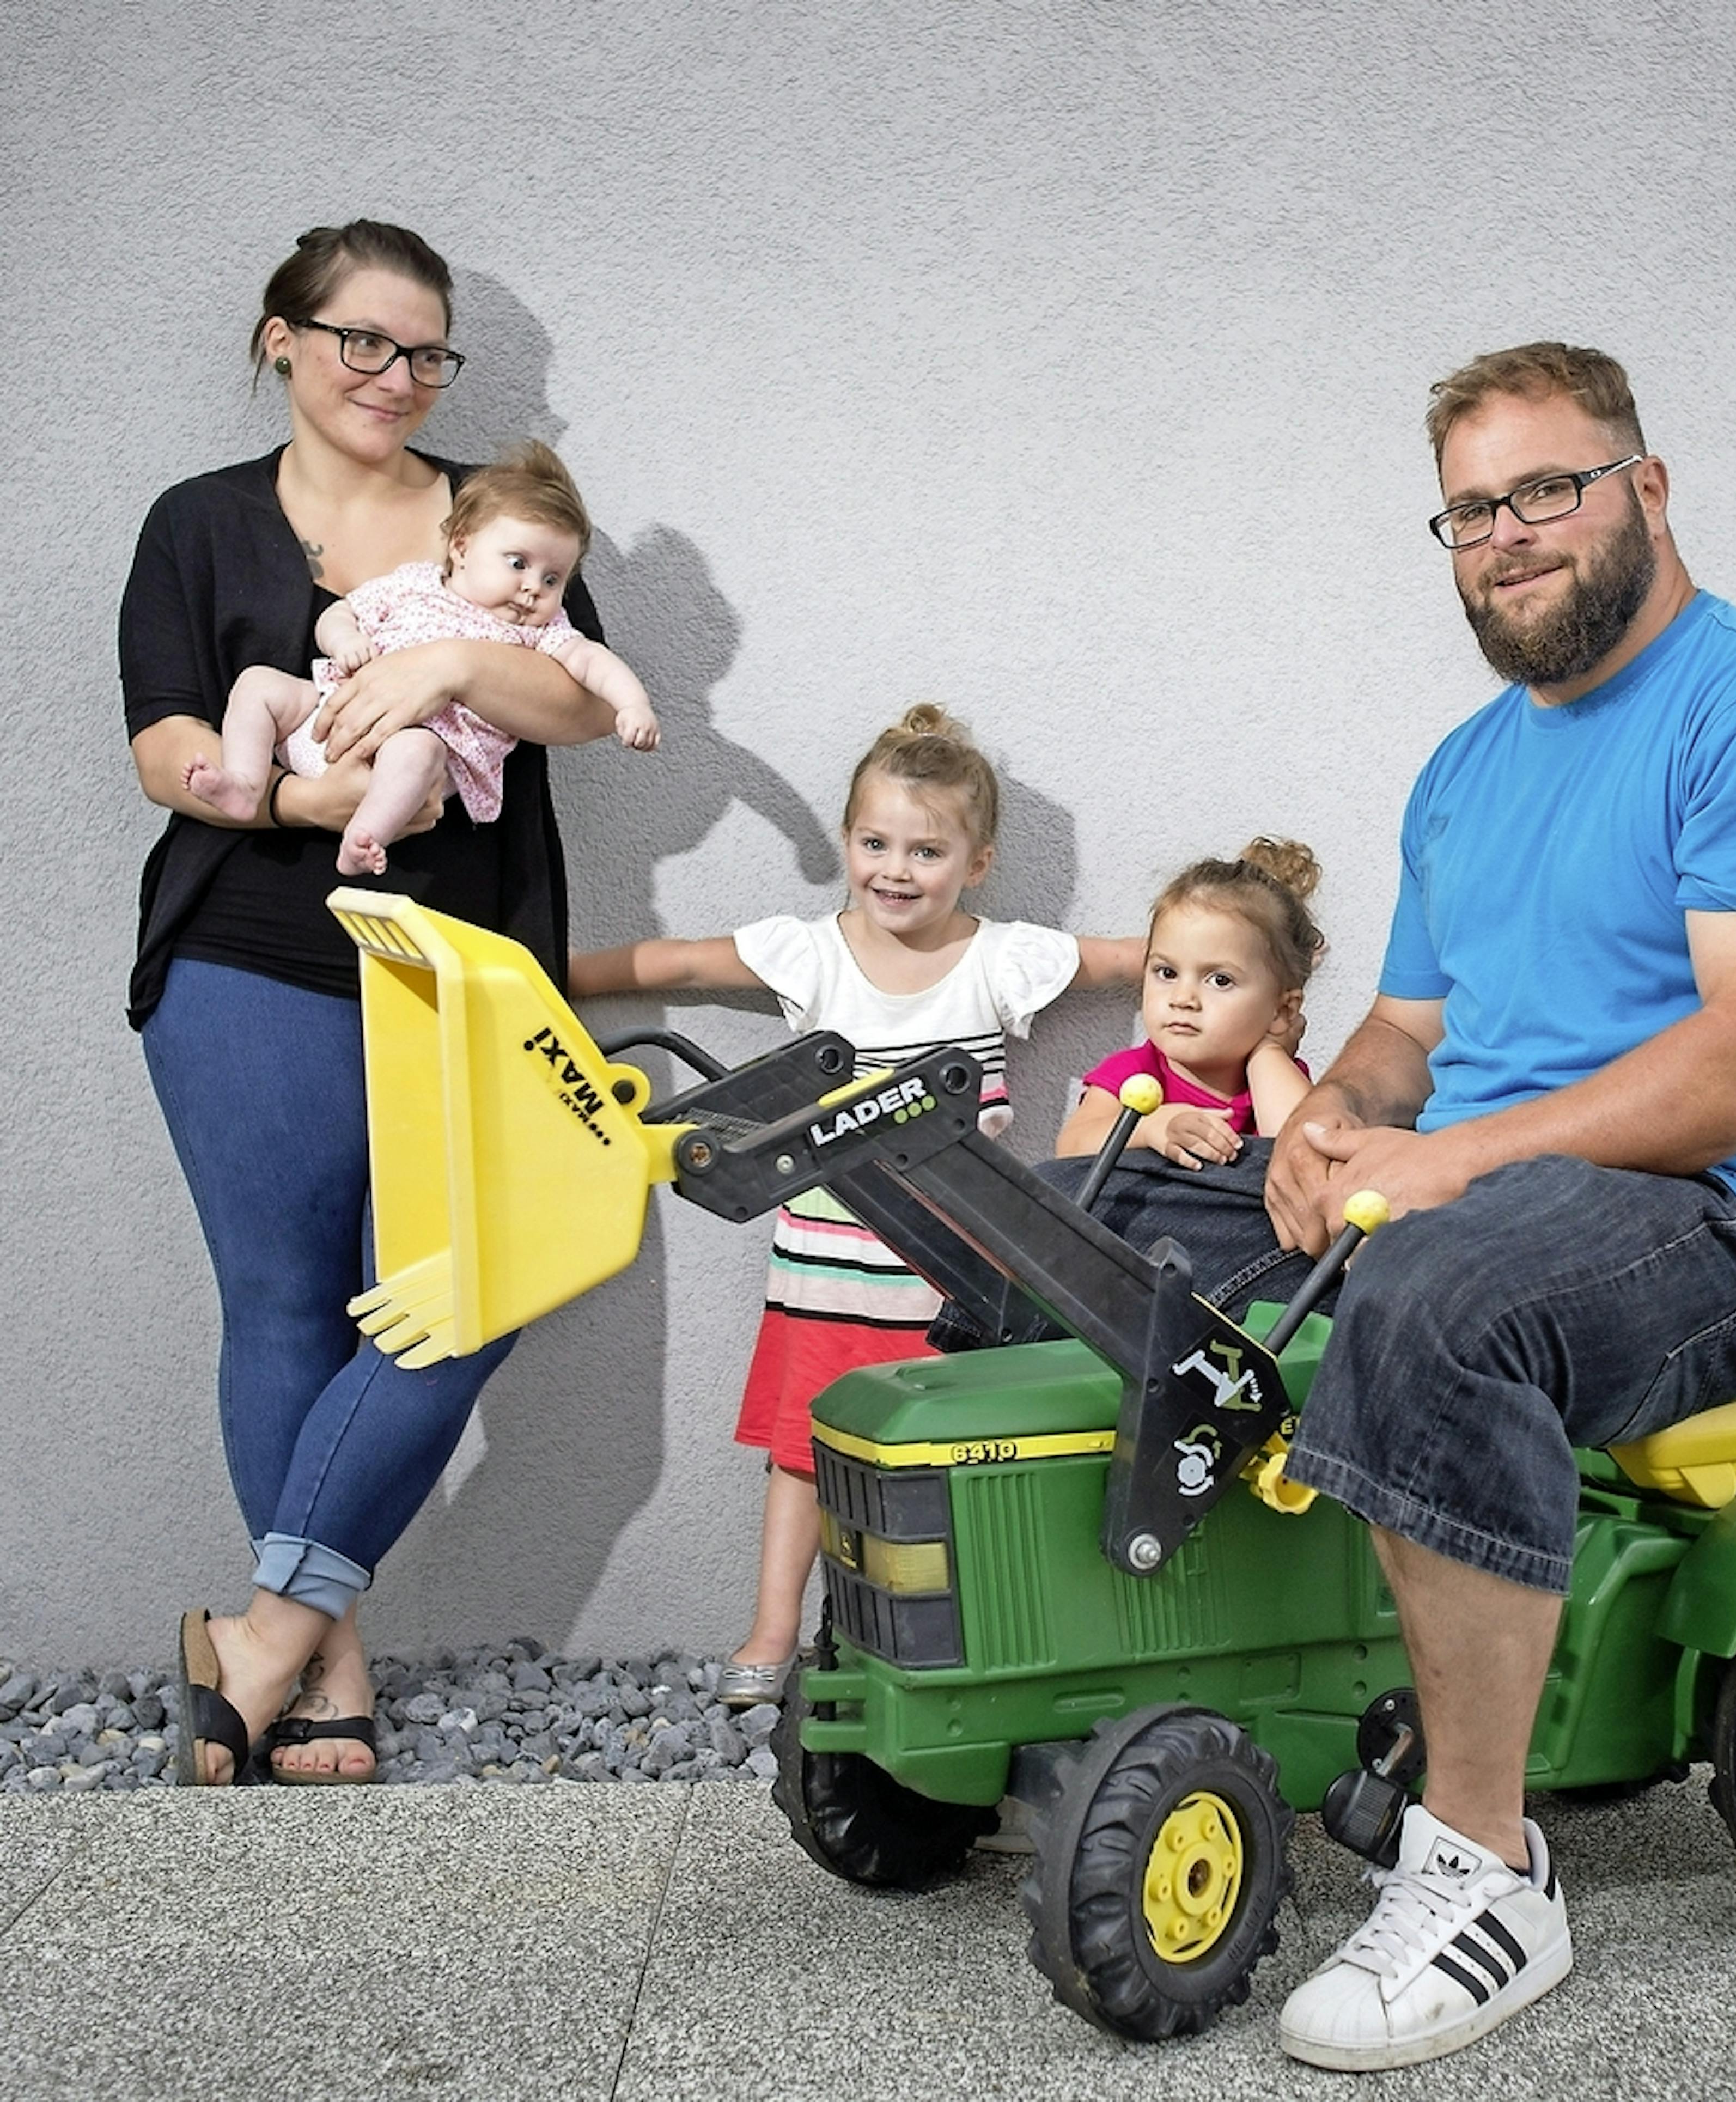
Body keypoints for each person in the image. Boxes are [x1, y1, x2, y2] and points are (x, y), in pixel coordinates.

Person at [1264, 342, 1736, 2070]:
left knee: (1440, 1293)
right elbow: (1408, 1032)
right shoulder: (1466, 767)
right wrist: (1334, 1116)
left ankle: (1485, 1869)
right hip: (1495, 1190)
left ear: (1644, 485)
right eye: (1469, 508)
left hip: (1727, 1219)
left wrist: (1445, 1166)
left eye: (1543, 488)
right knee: (1090, 1233)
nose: (1505, 534)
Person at [124, 221, 625, 1786]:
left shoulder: (492, 517)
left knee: (467, 1288)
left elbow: (570, 703)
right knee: (284, 1301)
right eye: (364, 343)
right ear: (283, 338)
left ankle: (260, 1630)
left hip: (459, 963)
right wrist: (303, 796)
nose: (396, 380)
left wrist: (454, 665)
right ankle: (329, 1652)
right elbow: (163, 741)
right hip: (246, 957)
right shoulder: (199, 523)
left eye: (426, 353)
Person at [569, 705, 1142, 1704]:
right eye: (876, 842)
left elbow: (1128, 960)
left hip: (953, 1287)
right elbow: (685, 963)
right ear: (846, 841)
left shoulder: (1002, 959)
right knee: (804, 1453)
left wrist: (1232, 962)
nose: (896, 867)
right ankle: (772, 1629)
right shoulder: (812, 954)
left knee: (951, 1465)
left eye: (927, 848)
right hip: (824, 1273)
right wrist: (549, 975)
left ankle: (950, 1643)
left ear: (978, 861)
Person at [185, 438, 658, 877]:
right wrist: (344, 640)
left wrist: (633, 705)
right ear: (462, 547)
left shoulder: (541, 634)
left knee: (419, 749)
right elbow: (340, 612)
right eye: (518, 563)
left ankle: (363, 835)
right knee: (258, 685)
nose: (534, 587)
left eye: (554, 579)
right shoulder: (417, 583)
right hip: (327, 718)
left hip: (416, 756)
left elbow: (595, 663)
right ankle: (246, 785)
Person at [1056, 837, 1321, 1166]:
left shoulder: (1278, 1080)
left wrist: (1268, 1053)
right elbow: (1070, 1147)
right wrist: (1149, 1126)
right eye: (1167, 973)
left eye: (1220, 980)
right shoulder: (1137, 1074)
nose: (1183, 999)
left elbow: (1301, 1158)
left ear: (1283, 1010)